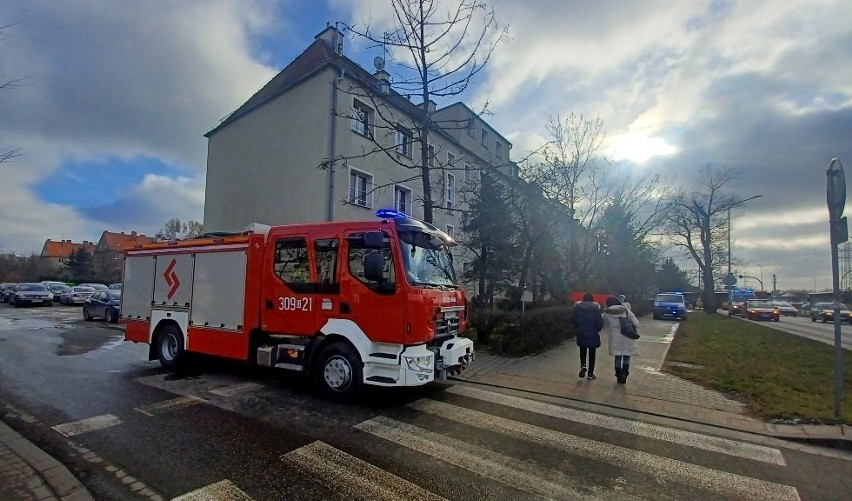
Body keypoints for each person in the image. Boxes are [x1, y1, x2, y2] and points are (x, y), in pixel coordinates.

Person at [603, 296, 640, 384]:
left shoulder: (607, 313)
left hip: (615, 337)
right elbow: (636, 323)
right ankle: (624, 373)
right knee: (627, 356)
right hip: (627, 335)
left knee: (618, 356)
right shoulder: (626, 310)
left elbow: (604, 326)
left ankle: (619, 376)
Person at [571, 292, 604, 380]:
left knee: (582, 350)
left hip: (582, 331)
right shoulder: (596, 308)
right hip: (593, 332)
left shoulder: (578, 308)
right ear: (592, 299)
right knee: (592, 354)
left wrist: (578, 327)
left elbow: (573, 320)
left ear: (583, 299)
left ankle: (583, 366)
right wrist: (597, 329)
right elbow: (600, 322)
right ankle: (590, 373)